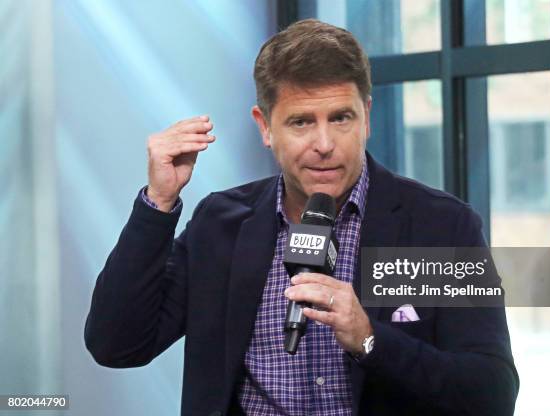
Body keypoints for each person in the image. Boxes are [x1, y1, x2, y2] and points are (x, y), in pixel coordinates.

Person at [85, 19, 519, 415]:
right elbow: (117, 344)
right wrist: (158, 203)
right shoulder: (222, 224)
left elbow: (492, 395)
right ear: (265, 127)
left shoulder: (438, 228)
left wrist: (369, 339)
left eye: (341, 118)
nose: (325, 143)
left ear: (366, 117)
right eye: (301, 122)